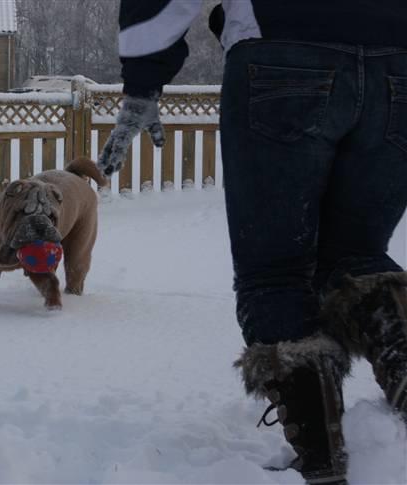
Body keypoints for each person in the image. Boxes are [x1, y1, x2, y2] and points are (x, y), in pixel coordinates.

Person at [97, 1, 407, 484]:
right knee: (357, 257)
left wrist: (143, 80)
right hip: (400, 63)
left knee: (276, 271)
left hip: (283, 55)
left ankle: (324, 468)